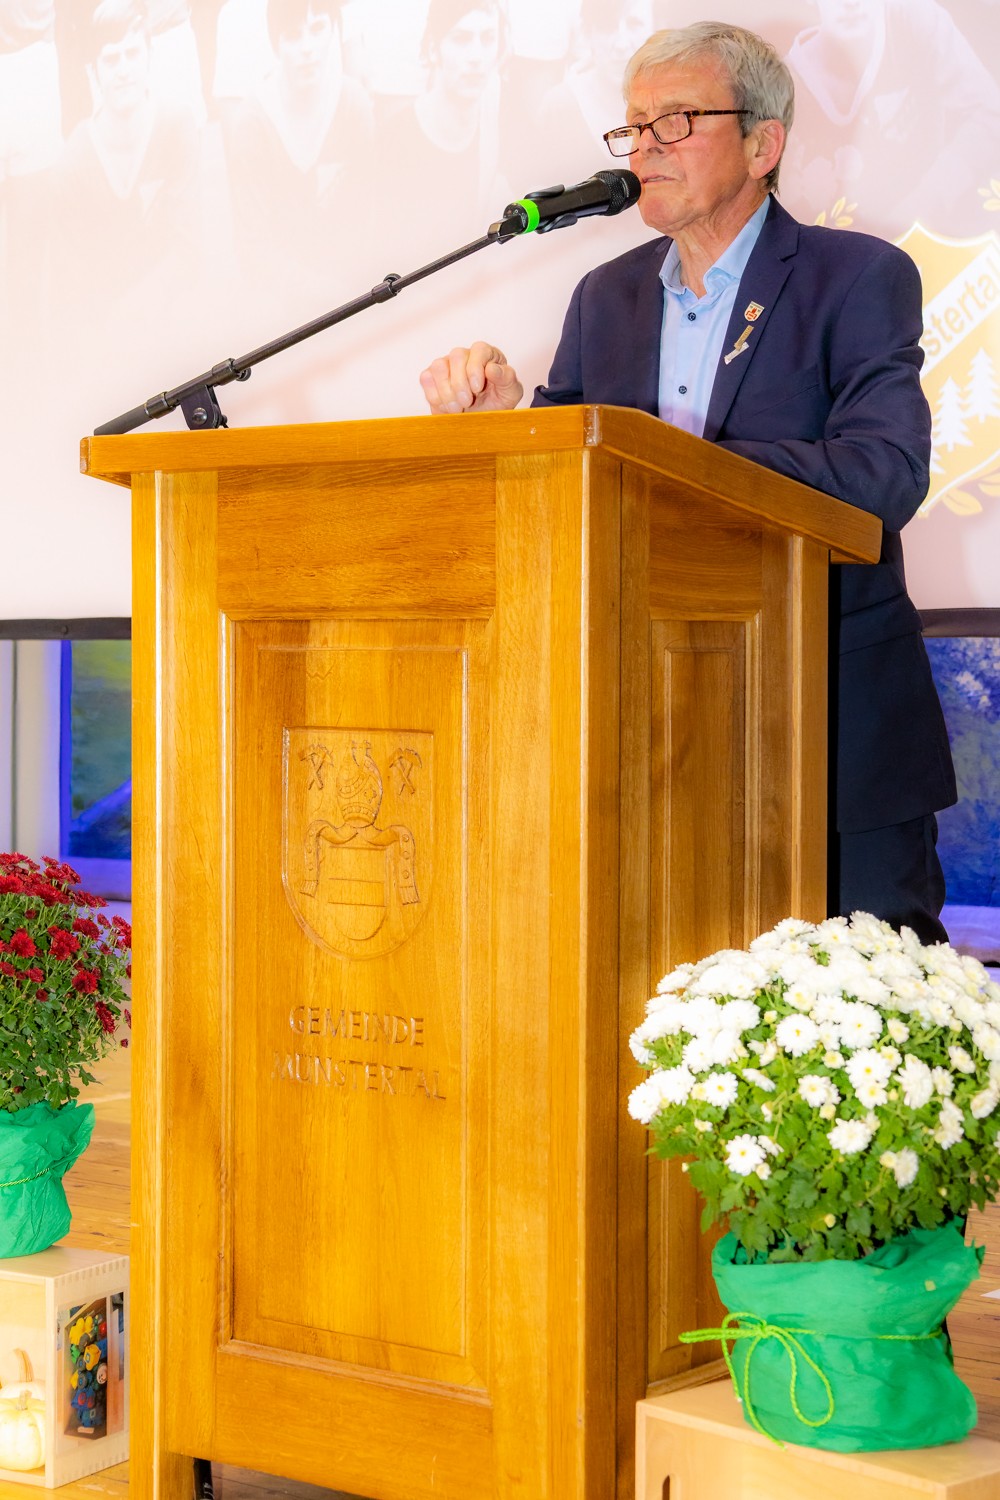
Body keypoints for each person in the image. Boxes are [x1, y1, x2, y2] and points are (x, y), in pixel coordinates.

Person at [419, 20, 957, 945]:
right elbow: (573, 490)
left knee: (871, 992)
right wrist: (508, 426)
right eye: (633, 127)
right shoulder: (606, 297)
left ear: (763, 144)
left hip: (832, 725)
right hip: (652, 731)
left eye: (676, 120)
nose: (644, 148)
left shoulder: (858, 276)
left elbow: (885, 475)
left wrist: (669, 462)